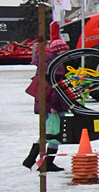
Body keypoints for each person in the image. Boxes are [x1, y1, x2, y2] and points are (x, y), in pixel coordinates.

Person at [23, 28, 70, 172]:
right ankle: (42, 161)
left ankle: (38, 160)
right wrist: (54, 106)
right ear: (58, 51)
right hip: (53, 105)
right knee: (53, 133)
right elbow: (55, 88)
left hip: (46, 103)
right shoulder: (55, 66)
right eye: (64, 51)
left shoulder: (45, 63)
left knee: (51, 132)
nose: (66, 53)